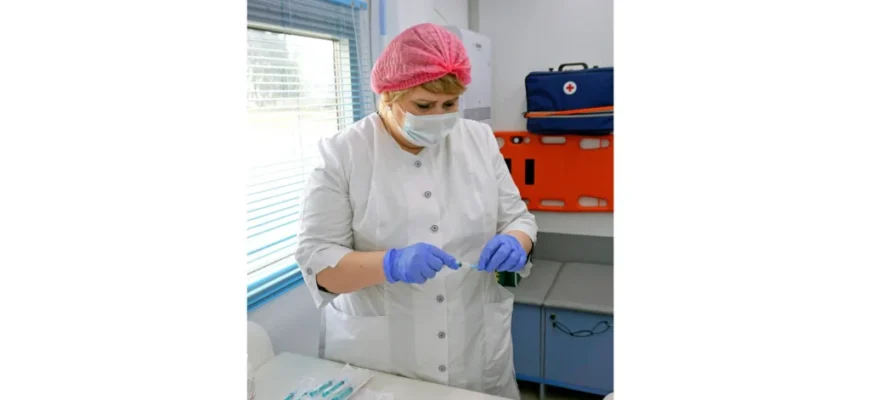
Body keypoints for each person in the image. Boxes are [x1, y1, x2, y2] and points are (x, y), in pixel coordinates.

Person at [296, 23, 537, 399]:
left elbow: (518, 217)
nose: (439, 115)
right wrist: (389, 264)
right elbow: (319, 264)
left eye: (450, 104)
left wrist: (516, 242)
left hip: (474, 348)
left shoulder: (478, 139)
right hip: (383, 360)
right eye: (423, 106)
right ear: (388, 97)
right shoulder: (343, 154)